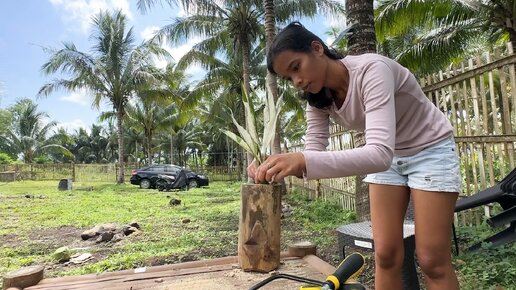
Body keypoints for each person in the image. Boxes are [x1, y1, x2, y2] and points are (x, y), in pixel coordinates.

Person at [248, 21, 461, 290]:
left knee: (432, 259)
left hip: (429, 148)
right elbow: (313, 152)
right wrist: (274, 163)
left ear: (317, 48)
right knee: (386, 255)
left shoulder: (372, 70)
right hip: (390, 157)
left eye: (296, 67)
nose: (297, 80)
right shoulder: (317, 98)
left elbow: (378, 154)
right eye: (289, 78)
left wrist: (301, 160)